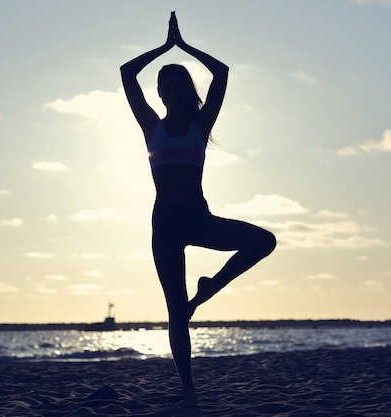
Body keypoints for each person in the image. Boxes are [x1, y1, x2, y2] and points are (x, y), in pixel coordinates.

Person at [120, 12, 276, 399]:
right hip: (166, 227)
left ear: (188, 92)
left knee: (264, 241)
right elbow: (126, 73)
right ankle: (188, 387)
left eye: (178, 87)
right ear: (160, 94)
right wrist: (163, 48)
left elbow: (221, 73)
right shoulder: (150, 125)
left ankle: (209, 289)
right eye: (166, 88)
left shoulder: (199, 126)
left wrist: (185, 47)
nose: (172, 93)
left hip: (198, 218)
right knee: (176, 311)